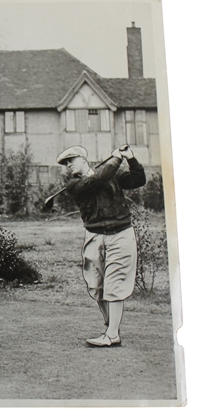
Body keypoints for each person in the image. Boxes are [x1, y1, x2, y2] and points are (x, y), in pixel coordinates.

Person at [57, 144, 146, 347]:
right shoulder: (74, 185)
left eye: (71, 160)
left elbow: (138, 179)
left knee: (115, 282)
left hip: (120, 234)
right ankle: (110, 324)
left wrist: (130, 158)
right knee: (96, 285)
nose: (68, 165)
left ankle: (112, 334)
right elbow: (96, 181)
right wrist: (116, 158)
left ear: (83, 159)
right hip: (94, 236)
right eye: (65, 163)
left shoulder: (110, 174)